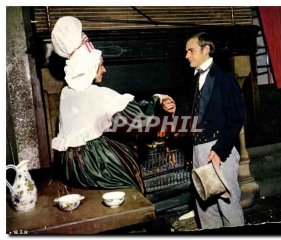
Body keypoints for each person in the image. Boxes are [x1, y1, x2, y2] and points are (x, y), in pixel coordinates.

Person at [50, 16, 175, 194]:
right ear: (89, 67)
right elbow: (138, 119)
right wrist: (157, 99)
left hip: (69, 168)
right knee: (128, 167)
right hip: (93, 167)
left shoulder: (66, 93)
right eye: (101, 65)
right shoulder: (98, 94)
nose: (104, 69)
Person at [184, 32, 245, 229]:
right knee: (205, 209)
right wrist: (174, 109)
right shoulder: (194, 81)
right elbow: (196, 116)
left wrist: (220, 150)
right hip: (198, 150)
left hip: (218, 150)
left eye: (191, 50)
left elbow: (237, 119)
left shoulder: (225, 79)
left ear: (206, 49)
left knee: (228, 207)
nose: (187, 55)